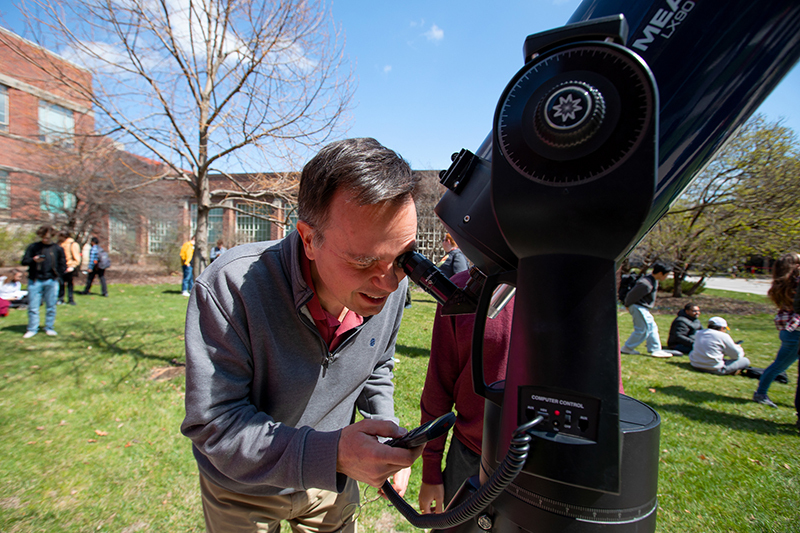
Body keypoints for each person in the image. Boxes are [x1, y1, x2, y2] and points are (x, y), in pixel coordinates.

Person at [181, 137, 424, 533]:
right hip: (245, 488)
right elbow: (215, 424)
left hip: (331, 480)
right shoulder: (230, 285)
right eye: (363, 262)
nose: (387, 282)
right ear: (309, 239)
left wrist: (383, 427)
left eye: (402, 259)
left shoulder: (392, 285)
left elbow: (377, 363)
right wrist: (332, 454)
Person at [753, 252, 800, 408]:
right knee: (779, 366)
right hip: (795, 331)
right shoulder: (794, 283)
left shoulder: (782, 285)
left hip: (789, 329)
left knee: (779, 365)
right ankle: (760, 393)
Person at [21, 225, 66, 338]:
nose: (45, 239)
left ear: (52, 236)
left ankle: (49, 327)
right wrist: (34, 260)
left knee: (51, 306)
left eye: (47, 237)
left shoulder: (57, 249)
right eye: (43, 237)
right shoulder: (33, 247)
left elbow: (62, 264)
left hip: (51, 280)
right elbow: (24, 261)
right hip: (35, 280)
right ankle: (32, 328)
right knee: (33, 306)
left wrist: (59, 275)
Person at [621, 263, 674, 358]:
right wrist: (627, 305)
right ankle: (627, 348)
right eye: (666, 275)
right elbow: (631, 295)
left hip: (642, 307)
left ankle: (655, 349)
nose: (667, 277)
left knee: (652, 328)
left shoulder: (653, 280)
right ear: (661, 273)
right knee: (642, 330)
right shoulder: (646, 284)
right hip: (638, 306)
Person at [57, 230, 81, 306]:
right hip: (59, 266)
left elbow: (76, 257)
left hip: (68, 266)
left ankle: (70, 299)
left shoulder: (72, 244)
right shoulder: (58, 244)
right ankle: (60, 298)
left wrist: (72, 266)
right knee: (60, 283)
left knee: (69, 284)